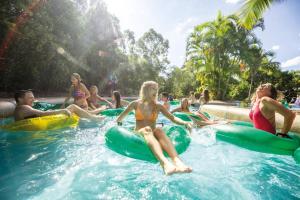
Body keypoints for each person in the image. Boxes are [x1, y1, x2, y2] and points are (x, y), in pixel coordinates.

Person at [116, 81, 193, 175]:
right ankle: (165, 164)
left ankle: (178, 162)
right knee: (147, 129)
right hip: (140, 133)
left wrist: (185, 122)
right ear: (146, 90)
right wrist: (119, 123)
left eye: (157, 89)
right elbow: (120, 118)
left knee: (159, 130)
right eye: (153, 88)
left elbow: (172, 118)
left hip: (152, 132)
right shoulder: (135, 104)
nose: (156, 91)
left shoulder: (158, 106)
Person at [14, 90, 105, 122]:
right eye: (30, 98)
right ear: (20, 99)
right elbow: (42, 114)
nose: (33, 100)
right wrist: (62, 111)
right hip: (41, 122)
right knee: (73, 107)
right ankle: (94, 118)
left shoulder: (21, 108)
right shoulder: (23, 108)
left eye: (33, 98)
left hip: (36, 124)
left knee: (75, 110)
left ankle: (95, 113)